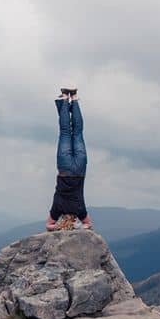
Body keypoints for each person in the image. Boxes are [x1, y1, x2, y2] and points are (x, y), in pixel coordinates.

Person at [46, 87, 93, 231]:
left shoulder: (80, 211)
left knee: (78, 133)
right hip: (65, 169)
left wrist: (77, 227)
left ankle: (75, 98)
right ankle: (66, 99)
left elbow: (88, 225)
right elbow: (49, 226)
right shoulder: (57, 209)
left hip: (79, 170)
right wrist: (58, 227)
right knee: (66, 132)